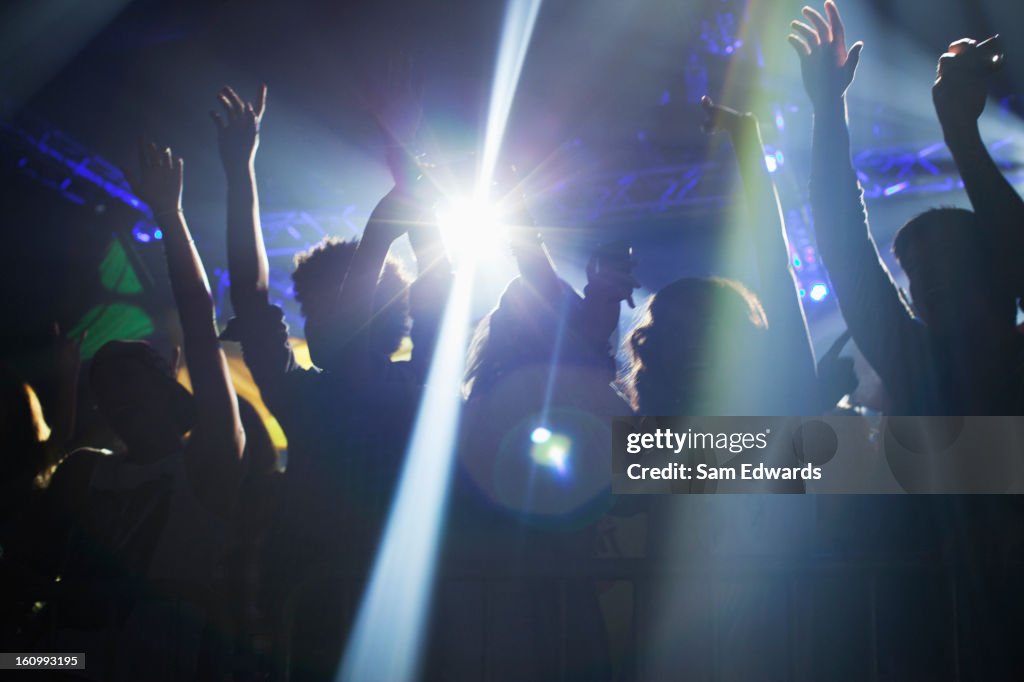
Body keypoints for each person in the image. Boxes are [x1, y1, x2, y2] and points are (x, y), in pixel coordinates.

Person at [211, 75, 451, 682]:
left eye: (329, 311)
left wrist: (401, 193)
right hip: (322, 618)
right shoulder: (336, 395)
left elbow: (437, 288)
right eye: (316, 314)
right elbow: (252, 291)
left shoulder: (418, 387)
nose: (320, 325)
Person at [29, 142, 245, 681]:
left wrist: (170, 217)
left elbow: (200, 327)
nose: (119, 396)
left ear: (163, 384)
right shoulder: (83, 471)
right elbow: (27, 585)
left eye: (130, 379)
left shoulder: (206, 466)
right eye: (106, 385)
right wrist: (22, 662)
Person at [787, 0, 1024, 415]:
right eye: (916, 270)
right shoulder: (922, 370)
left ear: (999, 272)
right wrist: (826, 106)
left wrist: (961, 131)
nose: (928, 281)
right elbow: (846, 251)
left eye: (948, 262)